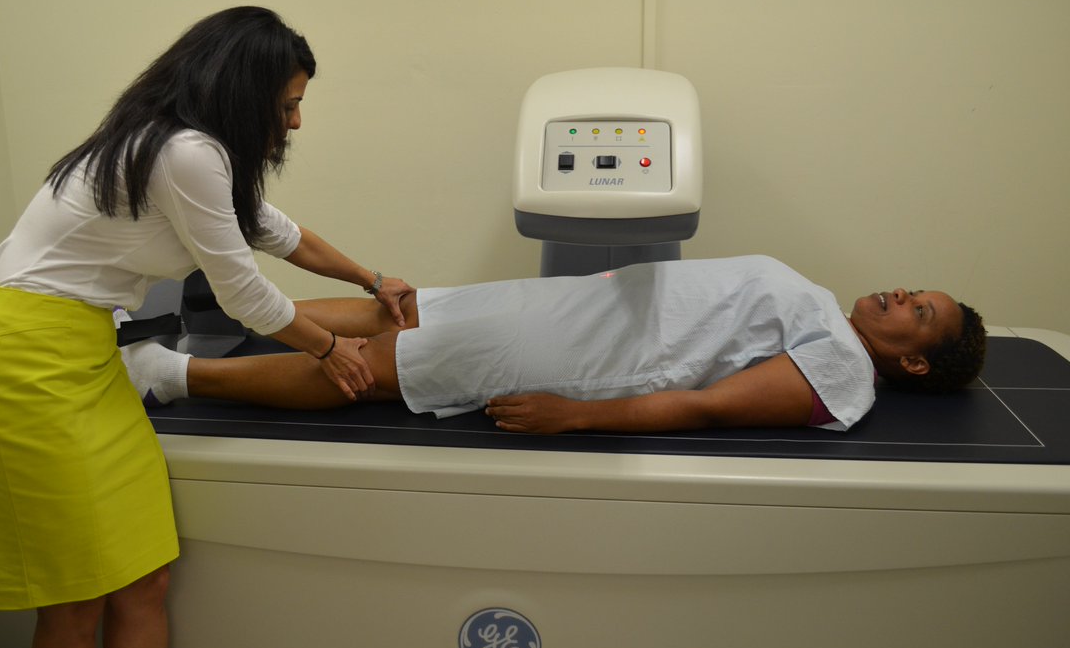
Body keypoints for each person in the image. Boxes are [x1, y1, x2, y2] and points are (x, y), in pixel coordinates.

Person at [0, 6, 413, 648]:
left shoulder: (191, 150)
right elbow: (244, 294)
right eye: (287, 106)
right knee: (76, 599)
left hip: (88, 358)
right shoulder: (183, 151)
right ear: (244, 95)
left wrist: (374, 279)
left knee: (144, 579)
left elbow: (282, 235)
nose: (296, 121)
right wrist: (331, 348)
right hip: (28, 365)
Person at [120, 255, 986, 435]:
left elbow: (708, 402)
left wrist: (583, 416)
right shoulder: (826, 304)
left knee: (384, 370)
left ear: (912, 358)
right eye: (918, 287)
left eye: (921, 311)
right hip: (582, 307)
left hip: (589, 358)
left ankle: (169, 374)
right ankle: (226, 313)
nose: (906, 291)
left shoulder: (841, 366)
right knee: (404, 314)